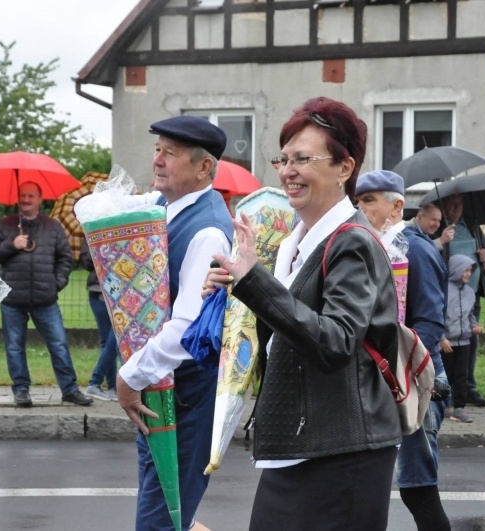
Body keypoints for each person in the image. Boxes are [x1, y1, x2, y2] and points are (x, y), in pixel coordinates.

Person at [205, 98, 401, 531]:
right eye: (284, 159)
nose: (287, 171)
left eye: (303, 159)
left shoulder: (353, 242)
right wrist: (234, 294)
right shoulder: (297, 243)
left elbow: (334, 342)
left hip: (342, 449)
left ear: (344, 168)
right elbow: (283, 336)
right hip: (302, 442)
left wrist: (254, 282)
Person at [108, 115, 233, 531]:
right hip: (163, 388)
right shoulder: (163, 208)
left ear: (204, 168)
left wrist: (131, 374)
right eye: (157, 149)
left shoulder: (207, 232)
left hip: (186, 393)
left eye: (170, 153)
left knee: (162, 519)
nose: (158, 160)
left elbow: (188, 330)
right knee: (168, 511)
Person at [354, 173, 451, 531]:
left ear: (396, 206)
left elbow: (428, 323)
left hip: (416, 381)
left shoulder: (415, 249)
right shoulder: (375, 245)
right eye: (358, 200)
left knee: (416, 486)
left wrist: (398, 372)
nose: (359, 208)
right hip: (387, 379)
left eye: (369, 200)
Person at [0, 182, 93, 407]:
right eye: (22, 195)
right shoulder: (5, 225)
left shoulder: (52, 226)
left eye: (30, 196)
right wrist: (11, 244)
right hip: (13, 300)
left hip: (45, 298)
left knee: (59, 344)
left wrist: (57, 283)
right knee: (14, 346)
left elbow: (65, 257)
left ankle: (69, 390)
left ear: (39, 199)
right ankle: (21, 390)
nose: (26, 199)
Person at [439, 193, 485, 407]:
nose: (456, 208)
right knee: (449, 344)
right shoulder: (440, 226)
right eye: (453, 204)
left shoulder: (472, 224)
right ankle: (447, 391)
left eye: (460, 204)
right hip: (449, 293)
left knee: (470, 340)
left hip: (471, 293)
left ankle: (467, 388)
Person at [440, 254, 482, 424]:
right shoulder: (444, 290)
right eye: (465, 270)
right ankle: (444, 405)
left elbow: (470, 315)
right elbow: (438, 315)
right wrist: (441, 338)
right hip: (446, 342)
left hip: (464, 341)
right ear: (456, 269)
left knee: (462, 375)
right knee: (446, 375)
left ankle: (459, 407)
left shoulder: (470, 292)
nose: (467, 273)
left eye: (470, 270)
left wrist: (474, 326)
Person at [80, 241, 119, 401]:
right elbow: (86, 262)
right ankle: (95, 383)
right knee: (112, 340)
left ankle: (111, 388)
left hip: (121, 291)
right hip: (99, 292)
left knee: (111, 341)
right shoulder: (93, 229)